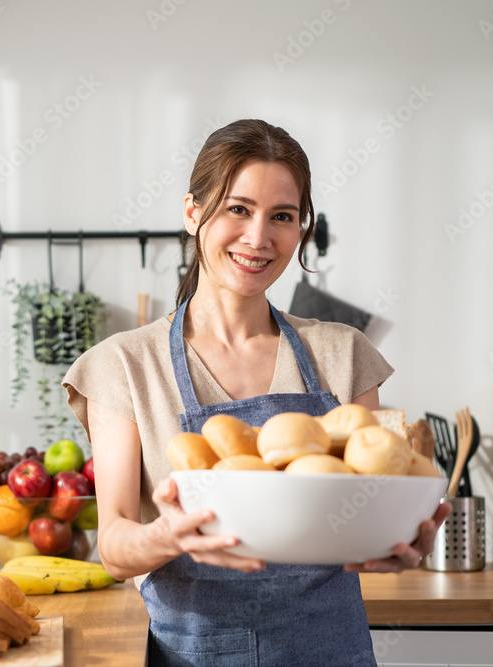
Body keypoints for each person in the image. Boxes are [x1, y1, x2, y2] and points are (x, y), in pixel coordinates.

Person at [62, 119, 451, 665]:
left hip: (330, 652)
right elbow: (116, 547)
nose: (258, 237)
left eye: (282, 217)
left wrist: (400, 540)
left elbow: (372, 498)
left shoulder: (344, 355)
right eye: (237, 209)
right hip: (191, 655)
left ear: (300, 229)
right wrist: (172, 536)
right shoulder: (123, 365)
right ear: (193, 212)